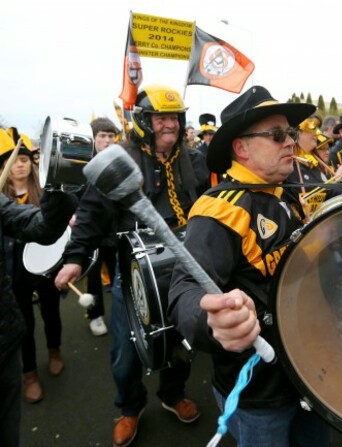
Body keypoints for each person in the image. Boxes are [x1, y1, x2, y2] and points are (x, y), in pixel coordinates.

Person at [168, 85, 331, 447]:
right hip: (260, 393)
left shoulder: (284, 193)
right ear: (240, 147)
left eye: (289, 133)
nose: (290, 142)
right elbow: (184, 291)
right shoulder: (219, 211)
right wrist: (213, 322)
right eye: (277, 135)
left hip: (308, 375)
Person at [54, 85, 209, 447]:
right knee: (126, 348)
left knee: (180, 338)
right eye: (161, 118)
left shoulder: (194, 158)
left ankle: (173, 395)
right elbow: (91, 212)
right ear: (142, 121)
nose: (169, 124)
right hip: (135, 271)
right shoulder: (119, 157)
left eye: (174, 117)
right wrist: (76, 259)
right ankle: (129, 408)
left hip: (183, 267)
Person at [0, 127, 78, 447]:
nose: (19, 165)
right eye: (11, 160)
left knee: (47, 313)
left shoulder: (27, 194)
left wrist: (58, 187)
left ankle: (55, 350)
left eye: (23, 159)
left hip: (40, 271)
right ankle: (29, 372)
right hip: (14, 273)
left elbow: (42, 226)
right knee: (27, 323)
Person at [82, 117, 121, 337]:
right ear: (94, 139)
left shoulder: (119, 162)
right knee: (94, 277)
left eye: (110, 136)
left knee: (119, 275)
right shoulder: (83, 164)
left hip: (114, 230)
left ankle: (122, 315)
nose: (107, 140)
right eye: (102, 136)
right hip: (92, 232)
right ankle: (95, 315)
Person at [287, 116, 342, 217]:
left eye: (318, 128)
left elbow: (331, 193)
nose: (318, 132)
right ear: (298, 132)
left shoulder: (315, 163)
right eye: (313, 128)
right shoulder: (288, 165)